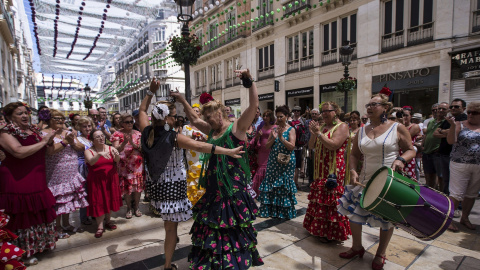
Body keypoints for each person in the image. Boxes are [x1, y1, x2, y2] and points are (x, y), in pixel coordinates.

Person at [143, 79, 252, 270]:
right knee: (184, 227)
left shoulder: (146, 131)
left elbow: (143, 112)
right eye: (175, 116)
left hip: (162, 189)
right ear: (168, 119)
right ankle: (179, 263)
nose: (178, 120)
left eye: (209, 116)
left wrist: (151, 92)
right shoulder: (180, 136)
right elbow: (199, 141)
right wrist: (228, 151)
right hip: (192, 186)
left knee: (223, 224)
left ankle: (223, 259)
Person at [172, 69, 264, 269]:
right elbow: (195, 121)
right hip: (214, 187)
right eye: (206, 116)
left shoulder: (237, 128)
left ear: (220, 113)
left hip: (232, 189)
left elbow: (254, 105)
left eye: (209, 115)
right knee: (213, 224)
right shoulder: (213, 131)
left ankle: (232, 261)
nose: (207, 119)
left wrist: (249, 81)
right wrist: (181, 100)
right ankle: (216, 259)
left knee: (232, 225)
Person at [338, 94, 416, 270]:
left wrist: (400, 160)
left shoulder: (397, 127)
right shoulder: (361, 130)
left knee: (386, 219)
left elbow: (410, 150)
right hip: (364, 180)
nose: (369, 107)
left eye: (374, 104)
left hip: (388, 181)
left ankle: (380, 253)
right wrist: (352, 170)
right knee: (355, 215)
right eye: (368, 104)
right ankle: (357, 247)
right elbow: (354, 154)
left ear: (386, 107)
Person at [0, 102, 58, 265]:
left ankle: (40, 246)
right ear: (10, 117)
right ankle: (24, 252)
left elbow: (49, 151)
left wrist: (50, 141)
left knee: (38, 212)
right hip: (18, 179)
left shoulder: (33, 130)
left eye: (26, 112)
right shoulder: (5, 132)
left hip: (37, 177)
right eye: (19, 114)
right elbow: (18, 152)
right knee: (23, 214)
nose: (25, 115)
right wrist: (43, 141)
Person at [303, 102, 351, 242]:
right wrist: (314, 133)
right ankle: (319, 229)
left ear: (335, 111)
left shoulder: (342, 126)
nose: (323, 114)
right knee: (320, 198)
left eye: (327, 111)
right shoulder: (322, 126)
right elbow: (311, 146)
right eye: (322, 111)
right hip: (320, 169)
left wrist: (318, 134)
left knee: (331, 199)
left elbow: (334, 145)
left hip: (333, 169)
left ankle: (332, 233)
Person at [43, 109, 88, 238]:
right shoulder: (44, 133)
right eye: (56, 118)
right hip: (55, 171)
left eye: (61, 118)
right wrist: (66, 142)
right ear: (49, 119)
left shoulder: (68, 132)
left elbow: (81, 147)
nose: (59, 121)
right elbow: (50, 151)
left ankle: (66, 223)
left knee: (68, 197)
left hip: (70, 171)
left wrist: (72, 141)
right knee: (58, 199)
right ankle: (57, 228)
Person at [446, 101, 480, 232]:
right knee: (456, 193)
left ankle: (465, 218)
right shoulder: (460, 124)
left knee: (471, 194)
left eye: (475, 113)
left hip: (477, 165)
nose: (470, 115)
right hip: (459, 164)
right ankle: (448, 220)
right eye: (469, 112)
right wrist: (453, 127)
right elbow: (451, 141)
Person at [259, 105, 298, 219]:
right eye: (278, 116)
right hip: (273, 161)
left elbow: (291, 146)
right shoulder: (274, 129)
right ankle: (271, 210)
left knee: (284, 185)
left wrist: (281, 138)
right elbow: (267, 146)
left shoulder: (291, 129)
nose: (279, 118)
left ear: (286, 116)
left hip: (286, 162)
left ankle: (283, 211)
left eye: (281, 116)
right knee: (271, 183)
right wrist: (273, 137)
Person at [84, 130, 122, 238]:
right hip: (97, 180)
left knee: (109, 200)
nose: (101, 138)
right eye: (98, 137)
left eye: (102, 136)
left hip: (110, 178)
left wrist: (116, 156)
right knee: (99, 201)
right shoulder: (88, 151)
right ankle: (100, 226)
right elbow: (91, 162)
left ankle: (108, 221)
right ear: (92, 140)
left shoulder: (111, 148)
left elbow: (117, 160)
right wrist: (99, 154)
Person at [111, 113, 144, 219]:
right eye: (127, 122)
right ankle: (129, 208)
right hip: (124, 165)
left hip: (137, 165)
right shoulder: (117, 134)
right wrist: (124, 142)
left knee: (137, 187)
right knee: (127, 188)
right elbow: (116, 150)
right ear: (121, 123)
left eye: (131, 121)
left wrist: (134, 145)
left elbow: (142, 148)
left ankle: (137, 207)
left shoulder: (138, 133)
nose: (130, 124)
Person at [181, 103, 207, 206]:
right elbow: (182, 143)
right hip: (192, 157)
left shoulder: (205, 127)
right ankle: (193, 202)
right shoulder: (186, 128)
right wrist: (191, 140)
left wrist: (205, 140)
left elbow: (210, 141)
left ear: (200, 114)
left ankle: (203, 201)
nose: (195, 113)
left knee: (204, 177)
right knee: (193, 178)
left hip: (204, 156)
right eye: (193, 111)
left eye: (197, 111)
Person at [423, 102, 448, 191]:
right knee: (429, 177)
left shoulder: (446, 122)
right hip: (426, 152)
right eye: (435, 110)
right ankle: (430, 197)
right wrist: (423, 146)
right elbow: (427, 134)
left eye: (442, 109)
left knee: (441, 177)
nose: (438, 111)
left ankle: (441, 198)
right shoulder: (431, 122)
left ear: (447, 111)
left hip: (437, 153)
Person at [251, 109, 276, 196]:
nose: (265, 118)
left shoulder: (275, 127)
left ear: (271, 117)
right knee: (260, 169)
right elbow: (256, 139)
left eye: (267, 116)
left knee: (269, 169)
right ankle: (259, 191)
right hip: (262, 150)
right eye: (264, 116)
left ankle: (269, 190)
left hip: (271, 151)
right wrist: (258, 136)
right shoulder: (260, 127)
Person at [76, 116, 94, 225]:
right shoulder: (77, 139)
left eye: (89, 126)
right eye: (84, 126)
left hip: (94, 167)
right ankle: (84, 217)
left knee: (93, 191)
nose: (87, 128)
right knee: (85, 192)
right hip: (83, 168)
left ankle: (94, 213)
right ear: (79, 127)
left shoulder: (93, 137)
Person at [401, 107, 421, 180]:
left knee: (408, 175)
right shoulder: (398, 126)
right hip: (398, 153)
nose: (404, 117)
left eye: (406, 115)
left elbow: (405, 138)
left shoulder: (414, 126)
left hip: (408, 153)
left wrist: (401, 124)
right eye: (402, 115)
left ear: (411, 116)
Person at [289, 105, 307, 187]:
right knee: (292, 165)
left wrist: (306, 143)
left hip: (300, 146)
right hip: (291, 145)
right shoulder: (289, 121)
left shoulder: (303, 120)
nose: (296, 112)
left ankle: (295, 182)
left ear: (300, 112)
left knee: (297, 166)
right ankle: (293, 182)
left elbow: (306, 132)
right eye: (295, 110)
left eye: (298, 111)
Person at [305, 109, 320, 185]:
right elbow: (307, 134)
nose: (314, 115)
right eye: (312, 114)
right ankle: (310, 180)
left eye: (315, 114)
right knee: (310, 163)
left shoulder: (320, 123)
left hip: (317, 146)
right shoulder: (307, 122)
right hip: (309, 145)